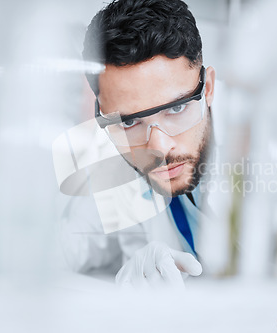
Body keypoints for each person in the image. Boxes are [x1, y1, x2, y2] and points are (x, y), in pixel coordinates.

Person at [60, 0, 230, 289]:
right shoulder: (115, 175)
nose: (159, 149)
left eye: (176, 109)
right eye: (129, 122)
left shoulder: (266, 155)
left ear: (209, 88)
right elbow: (51, 255)